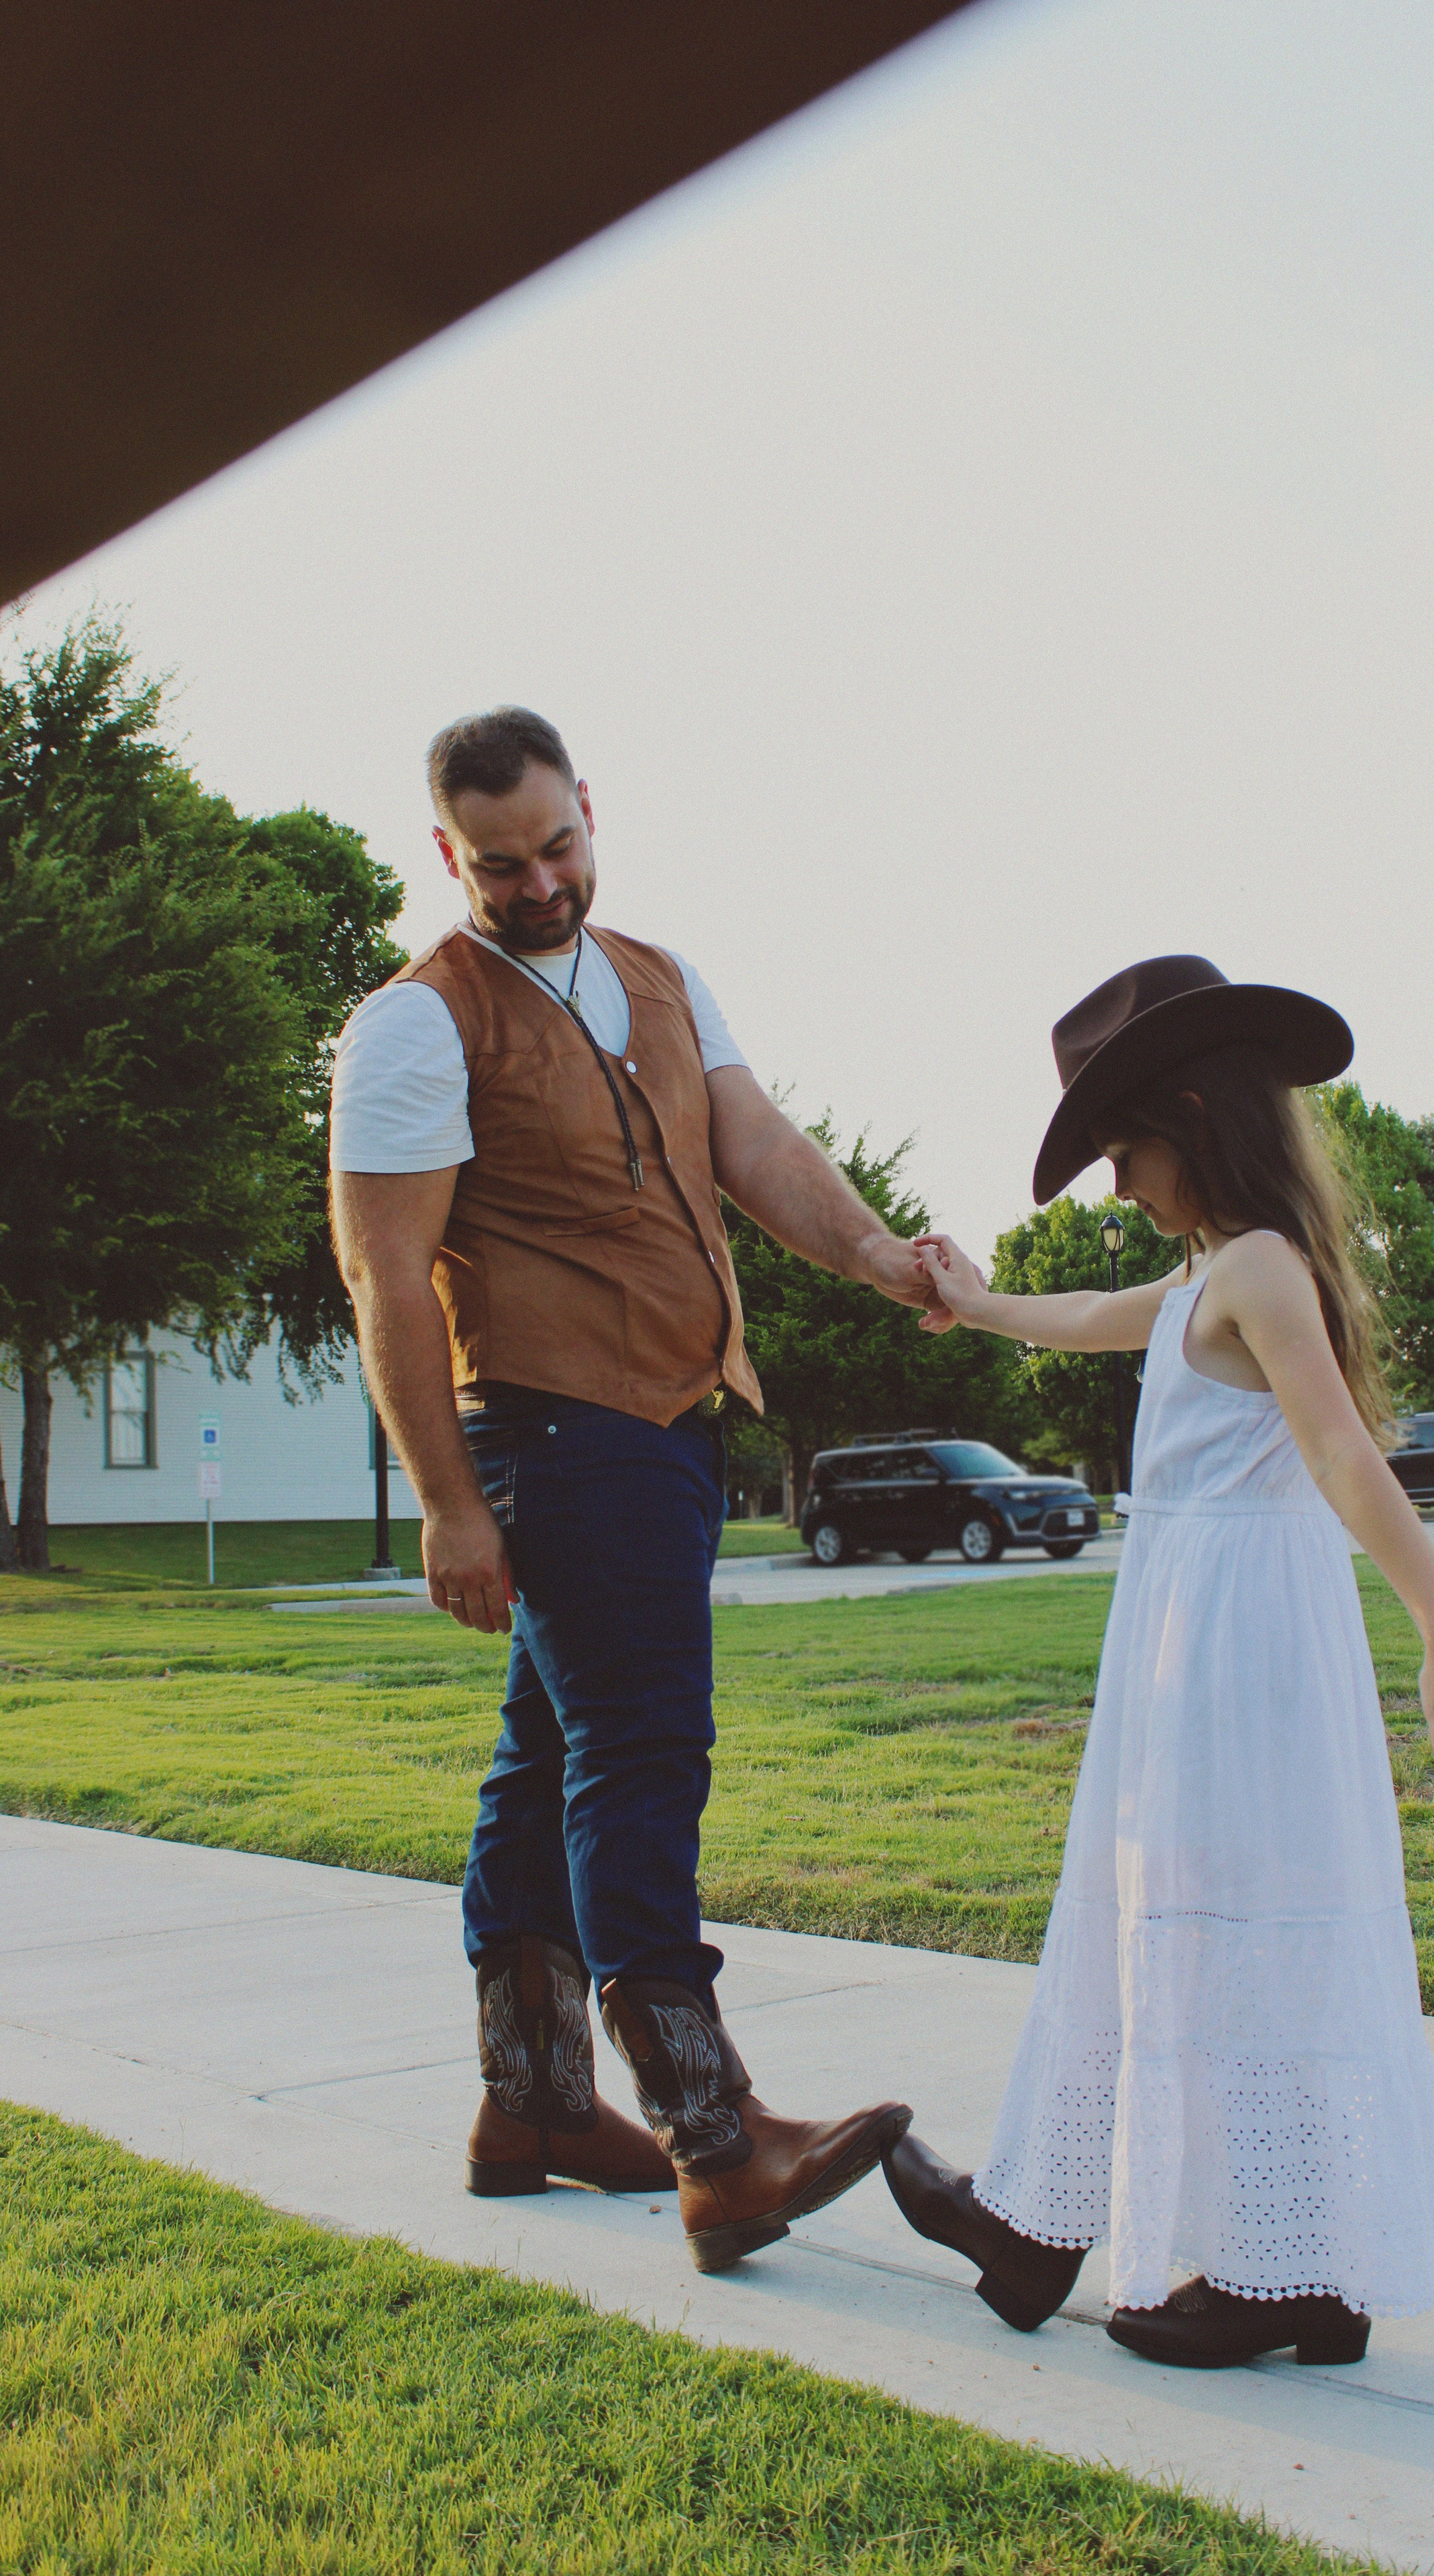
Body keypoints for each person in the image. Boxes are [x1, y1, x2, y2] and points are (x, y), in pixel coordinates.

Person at [329, 705, 919, 2274]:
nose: (537, 885)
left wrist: (879, 1256)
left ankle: (531, 2108)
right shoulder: (417, 1024)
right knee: (642, 1750)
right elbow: (385, 1279)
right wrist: (447, 1504)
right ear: (446, 853)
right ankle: (713, 2139)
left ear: (588, 808)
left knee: (549, 1759)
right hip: (553, 1432)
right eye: (498, 866)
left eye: (557, 848)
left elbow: (754, 1144)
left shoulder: (658, 976)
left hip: (670, 1421)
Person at [886, 954, 1434, 2366]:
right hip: (1197, 1641)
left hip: (1239, 1655)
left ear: (1190, 1117)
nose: (1116, 1187)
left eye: (1122, 1153)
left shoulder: (1260, 1269)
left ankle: (1272, 2268)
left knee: (1221, 1927)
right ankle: (1123, 2237)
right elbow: (1087, 1318)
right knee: (1173, 1917)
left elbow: (1341, 1454)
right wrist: (975, 1303)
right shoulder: (1205, 1279)